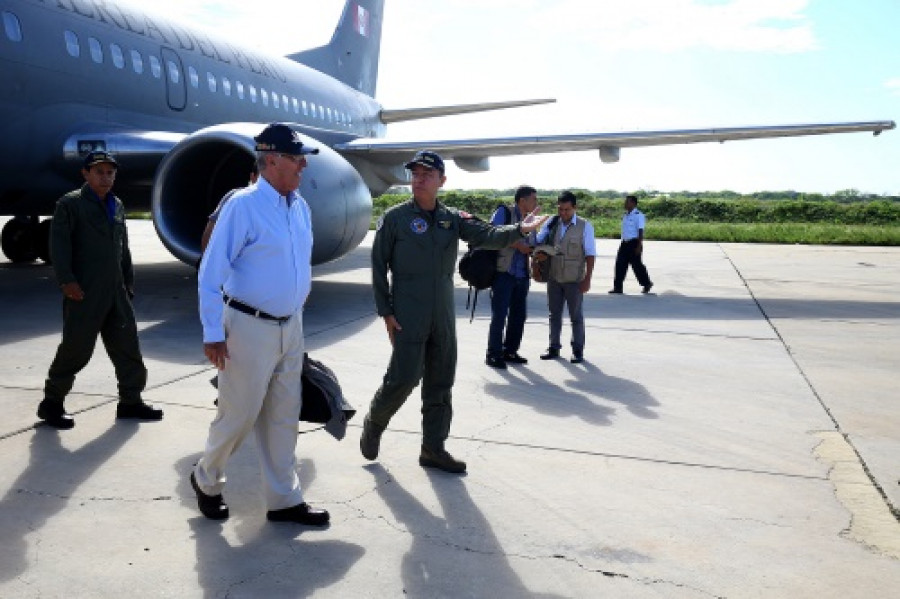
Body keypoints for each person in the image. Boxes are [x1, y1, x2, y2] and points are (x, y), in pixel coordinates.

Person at [360, 151, 548, 473]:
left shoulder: (452, 219)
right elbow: (378, 267)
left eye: (427, 174)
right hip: (409, 312)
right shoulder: (394, 219)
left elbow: (489, 235)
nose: (418, 179)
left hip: (443, 314)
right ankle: (375, 422)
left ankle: (433, 448)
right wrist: (386, 311)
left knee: (441, 381)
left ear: (441, 181)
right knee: (403, 378)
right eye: (415, 174)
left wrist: (521, 229)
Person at [190, 123, 328, 526]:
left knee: (286, 414)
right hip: (248, 327)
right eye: (296, 157)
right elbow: (211, 272)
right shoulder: (243, 205)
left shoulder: (299, 206)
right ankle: (207, 478)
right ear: (272, 160)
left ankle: (284, 500)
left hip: (291, 326)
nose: (303, 164)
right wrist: (213, 332)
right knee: (239, 415)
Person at [37, 151, 163, 429]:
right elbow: (59, 246)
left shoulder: (116, 205)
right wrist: (67, 281)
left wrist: (128, 282)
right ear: (85, 174)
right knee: (76, 349)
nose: (105, 177)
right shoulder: (70, 204)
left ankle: (130, 401)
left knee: (128, 347)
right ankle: (52, 403)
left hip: (116, 290)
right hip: (84, 291)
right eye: (99, 172)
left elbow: (123, 249)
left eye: (110, 172)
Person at [535, 191, 596, 364]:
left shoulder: (585, 226)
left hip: (574, 280)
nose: (563, 213)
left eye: (567, 210)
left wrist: (587, 279)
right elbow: (539, 242)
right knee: (554, 314)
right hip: (554, 278)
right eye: (560, 209)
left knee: (576, 316)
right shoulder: (552, 223)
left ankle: (577, 350)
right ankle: (554, 347)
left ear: (575, 208)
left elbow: (590, 255)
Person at [485, 185, 539, 369]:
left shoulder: (530, 218)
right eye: (534, 199)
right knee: (499, 315)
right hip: (504, 272)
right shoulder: (504, 212)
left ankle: (510, 350)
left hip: (522, 274)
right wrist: (518, 246)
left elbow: (533, 241)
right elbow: (493, 234)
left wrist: (537, 251)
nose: (536, 203)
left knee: (519, 316)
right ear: (522, 200)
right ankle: (493, 353)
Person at [199, 161, 259, 253]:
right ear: (253, 177)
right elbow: (211, 233)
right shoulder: (236, 198)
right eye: (264, 179)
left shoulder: (285, 201)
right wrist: (208, 260)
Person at [609, 194, 653, 294]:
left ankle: (647, 283)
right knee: (620, 265)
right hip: (625, 243)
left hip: (634, 243)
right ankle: (618, 288)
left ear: (633, 203)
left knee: (637, 266)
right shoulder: (626, 215)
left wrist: (639, 245)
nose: (625, 203)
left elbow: (640, 231)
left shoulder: (638, 215)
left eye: (627, 201)